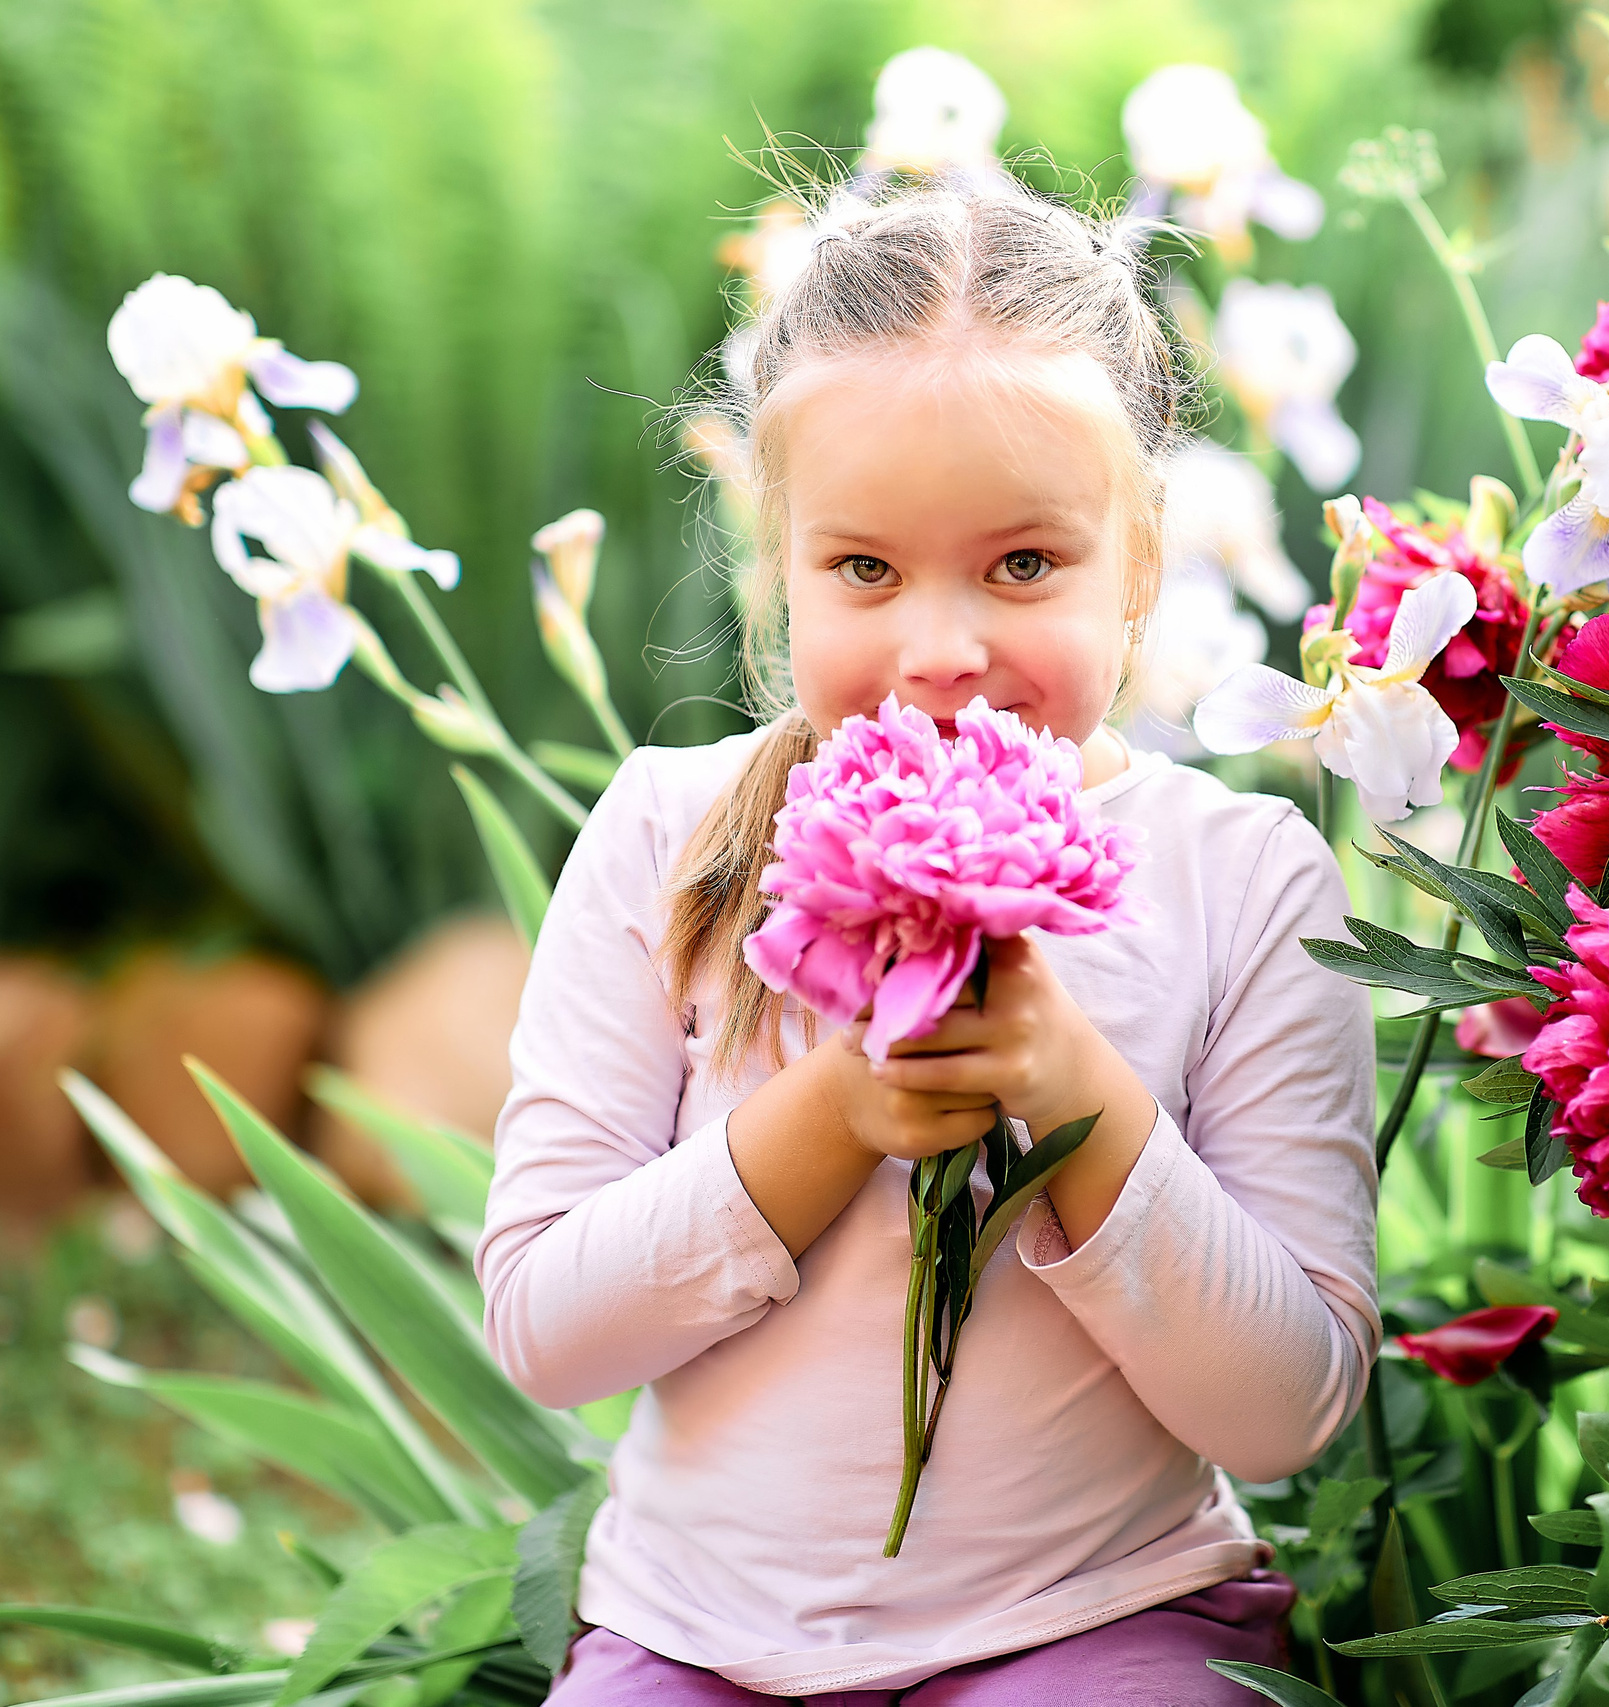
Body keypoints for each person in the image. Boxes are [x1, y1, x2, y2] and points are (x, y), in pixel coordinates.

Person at [476, 176, 1379, 1705]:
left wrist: (1069, 1086)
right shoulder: (669, 836)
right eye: (865, 570)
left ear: (1140, 563)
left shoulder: (1244, 880)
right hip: (699, 1639)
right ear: (778, 563)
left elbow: (1289, 1409)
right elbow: (544, 1331)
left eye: (1023, 565)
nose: (943, 652)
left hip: (1098, 1619)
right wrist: (831, 1115)